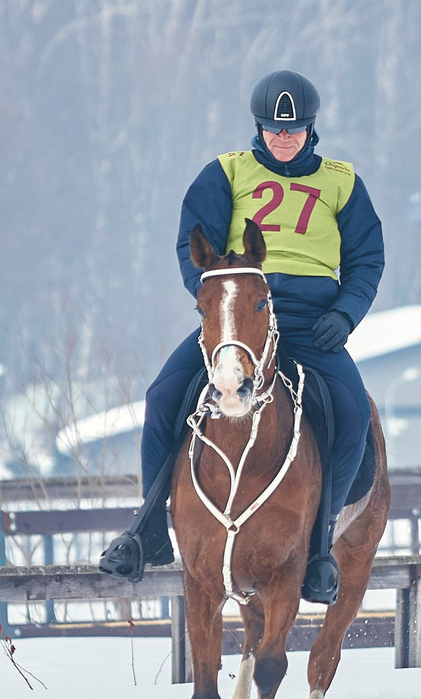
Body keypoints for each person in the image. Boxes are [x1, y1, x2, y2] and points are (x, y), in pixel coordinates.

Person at [96, 69, 384, 603]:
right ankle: (148, 532)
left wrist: (344, 316)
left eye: (294, 129)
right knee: (163, 395)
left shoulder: (343, 182)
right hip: (240, 322)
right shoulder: (225, 173)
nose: (284, 138)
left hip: (312, 325)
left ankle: (318, 548)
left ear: (310, 129)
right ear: (258, 128)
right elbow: (194, 247)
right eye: (275, 130)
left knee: (352, 413)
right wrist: (217, 311)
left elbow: (367, 258)